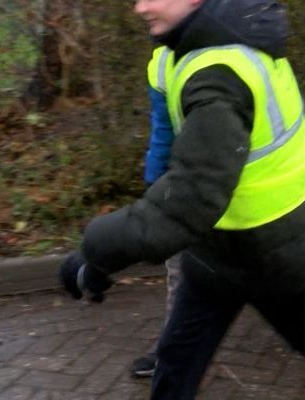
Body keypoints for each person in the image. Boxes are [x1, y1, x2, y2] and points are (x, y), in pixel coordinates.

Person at [59, 0, 305, 400]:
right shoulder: (213, 40)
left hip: (276, 253)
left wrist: (96, 255)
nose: (138, 7)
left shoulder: (219, 74)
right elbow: (303, 120)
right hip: (221, 250)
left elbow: (190, 200)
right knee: (177, 360)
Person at [129, 45, 179, 378]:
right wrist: (154, 180)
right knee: (181, 270)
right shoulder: (161, 60)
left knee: (275, 263)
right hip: (186, 183)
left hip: (248, 183)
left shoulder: (232, 43)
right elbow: (163, 125)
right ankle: (172, 352)